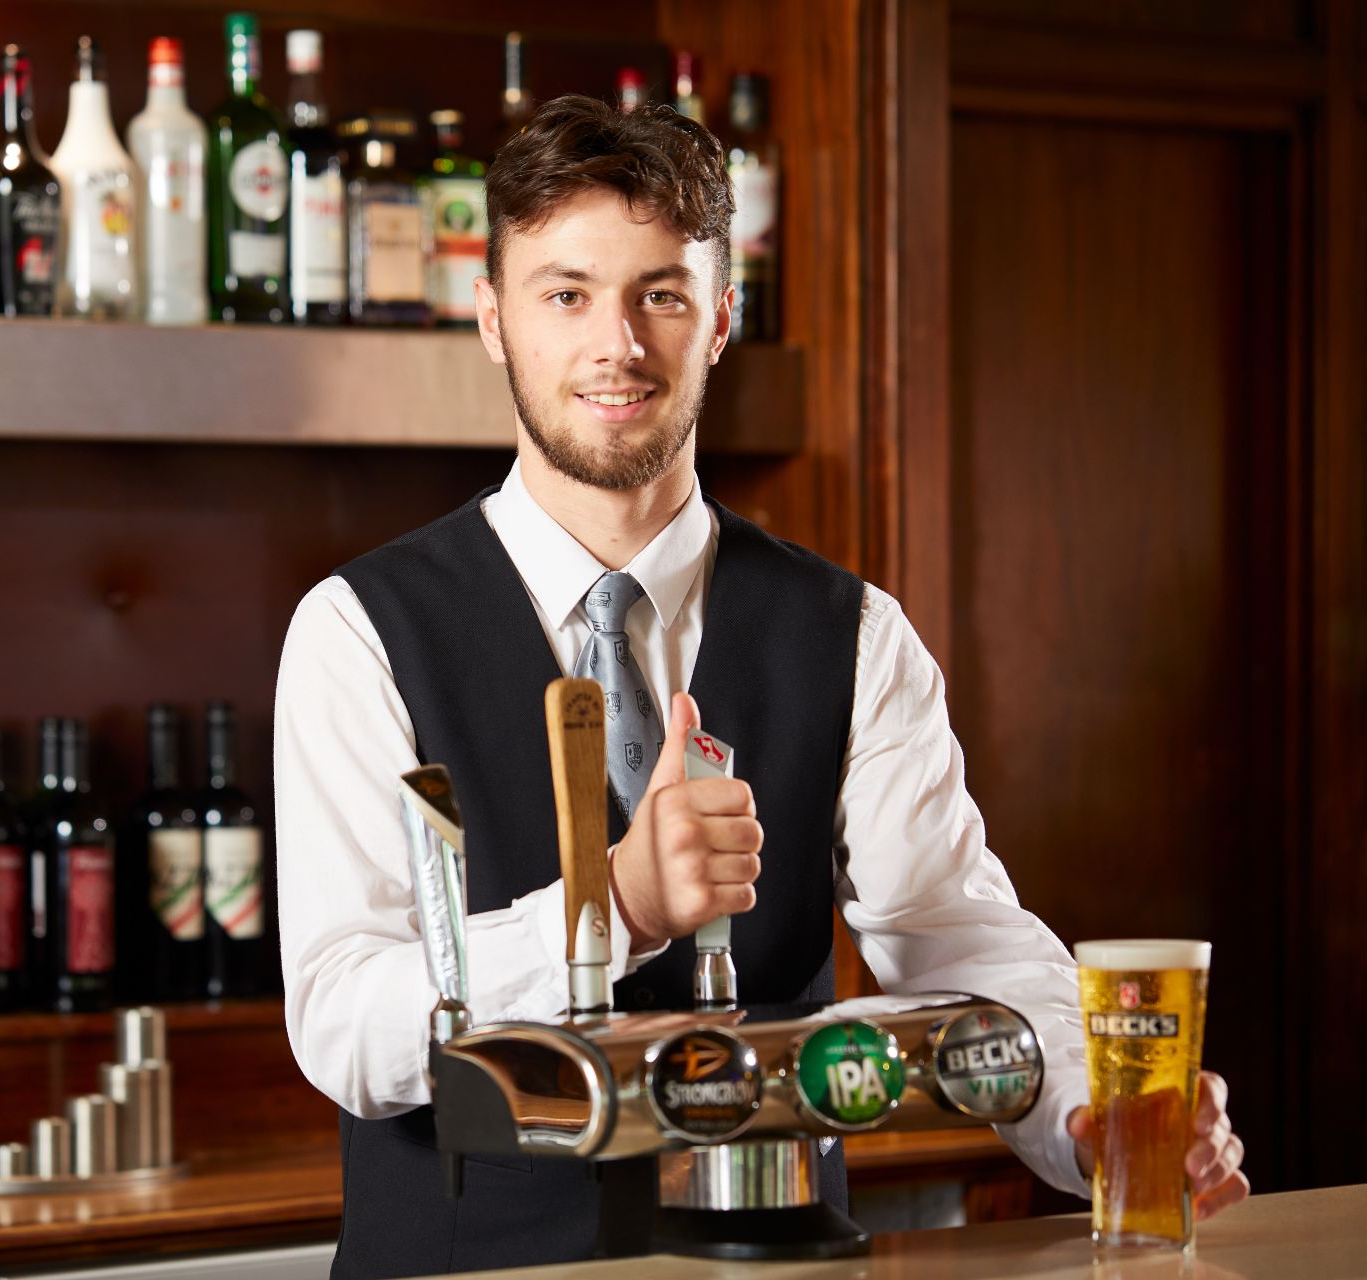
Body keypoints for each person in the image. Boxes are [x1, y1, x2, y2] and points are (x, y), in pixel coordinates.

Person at [273, 95, 1247, 1279]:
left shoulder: (852, 632)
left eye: (661, 294)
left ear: (723, 314)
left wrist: (1081, 1116)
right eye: (566, 293)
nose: (616, 344)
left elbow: (962, 940)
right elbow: (344, 1017)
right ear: (493, 318)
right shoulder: (356, 631)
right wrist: (611, 908)